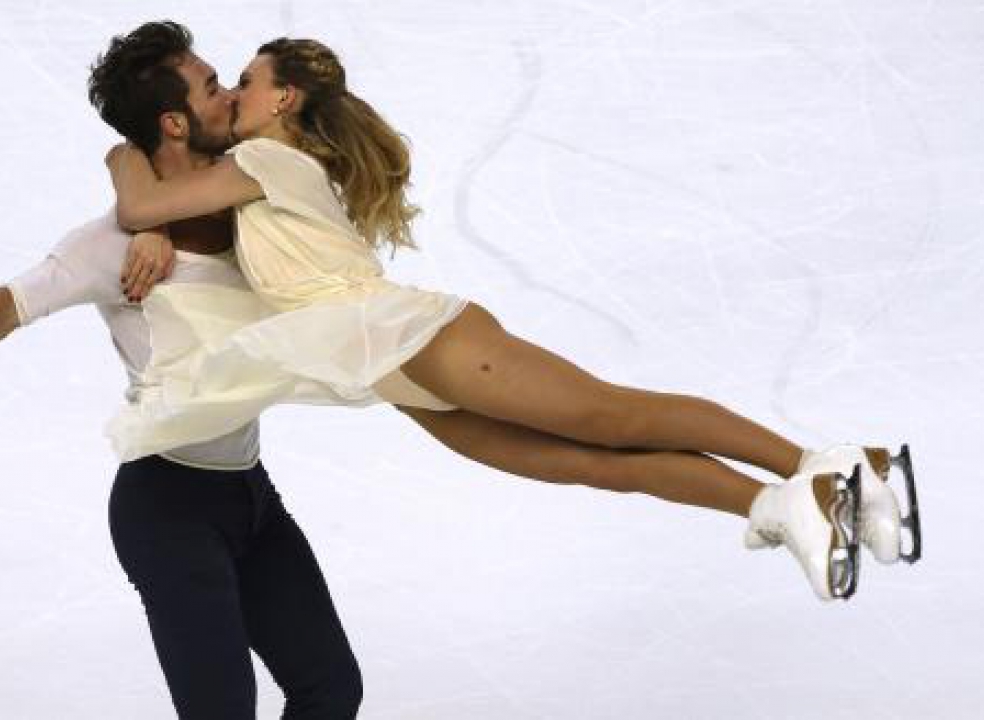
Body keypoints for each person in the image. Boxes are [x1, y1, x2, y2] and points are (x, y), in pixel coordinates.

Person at [101, 37, 922, 603]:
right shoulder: (257, 164)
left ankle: (827, 464)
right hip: (390, 368)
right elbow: (168, 216)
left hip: (414, 339)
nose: (236, 94)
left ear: (283, 98)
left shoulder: (261, 157)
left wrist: (120, 150)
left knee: (615, 417)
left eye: (245, 80)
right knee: (593, 463)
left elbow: (142, 197)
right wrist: (156, 228)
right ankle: (780, 505)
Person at [0, 22, 374, 720]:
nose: (230, 94)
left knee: (329, 689)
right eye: (210, 87)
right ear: (174, 122)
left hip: (251, 494)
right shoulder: (109, 246)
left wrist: (156, 221)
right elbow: (6, 306)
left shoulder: (249, 197)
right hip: (168, 508)